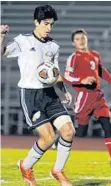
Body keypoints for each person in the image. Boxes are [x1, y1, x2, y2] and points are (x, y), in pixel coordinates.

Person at [0, 5, 75, 186]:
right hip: (30, 95)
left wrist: (63, 91)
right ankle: (26, 166)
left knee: (68, 131)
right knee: (48, 138)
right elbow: (1, 53)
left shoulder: (53, 46)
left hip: (49, 94)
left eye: (51, 25)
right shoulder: (23, 41)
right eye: (46, 24)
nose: (49, 28)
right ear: (36, 22)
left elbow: (54, 73)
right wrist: (1, 37)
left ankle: (58, 171)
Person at [64, 29, 111, 164]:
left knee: (108, 125)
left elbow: (102, 72)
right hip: (84, 97)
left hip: (98, 96)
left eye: (83, 38)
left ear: (87, 39)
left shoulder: (95, 55)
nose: (81, 41)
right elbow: (67, 76)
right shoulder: (74, 57)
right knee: (81, 132)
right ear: (73, 43)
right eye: (77, 39)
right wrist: (81, 80)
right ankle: (60, 137)